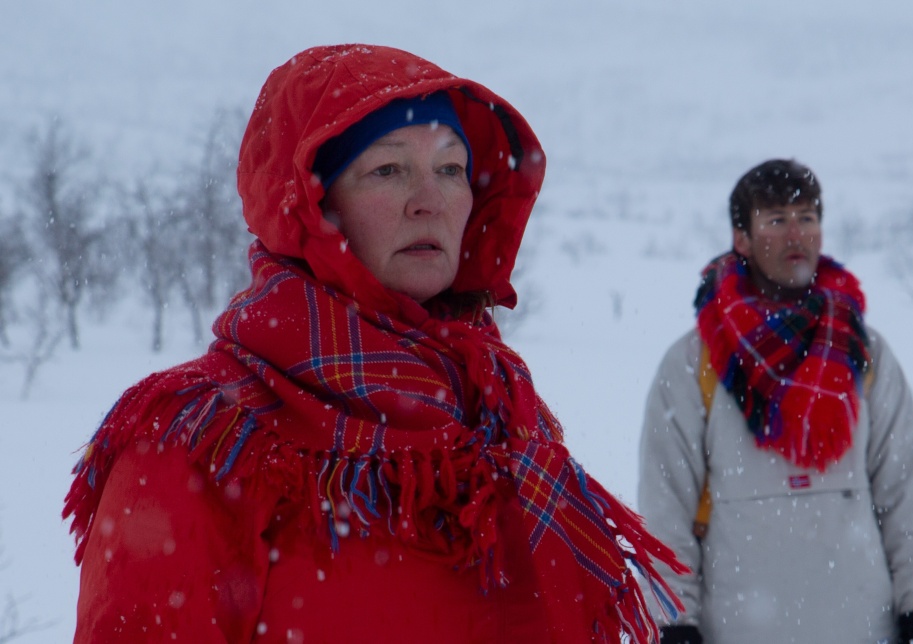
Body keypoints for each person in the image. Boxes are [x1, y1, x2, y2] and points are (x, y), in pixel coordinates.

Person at [63, 44, 686, 643]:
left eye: (450, 169)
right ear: (312, 205)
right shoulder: (203, 443)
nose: (430, 202)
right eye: (387, 170)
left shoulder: (498, 414)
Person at [637, 158, 913, 643]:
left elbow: (903, 492)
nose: (796, 233)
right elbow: (665, 506)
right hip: (739, 628)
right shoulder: (694, 362)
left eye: (807, 217)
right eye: (776, 219)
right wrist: (674, 619)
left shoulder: (863, 352)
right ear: (742, 238)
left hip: (862, 627)